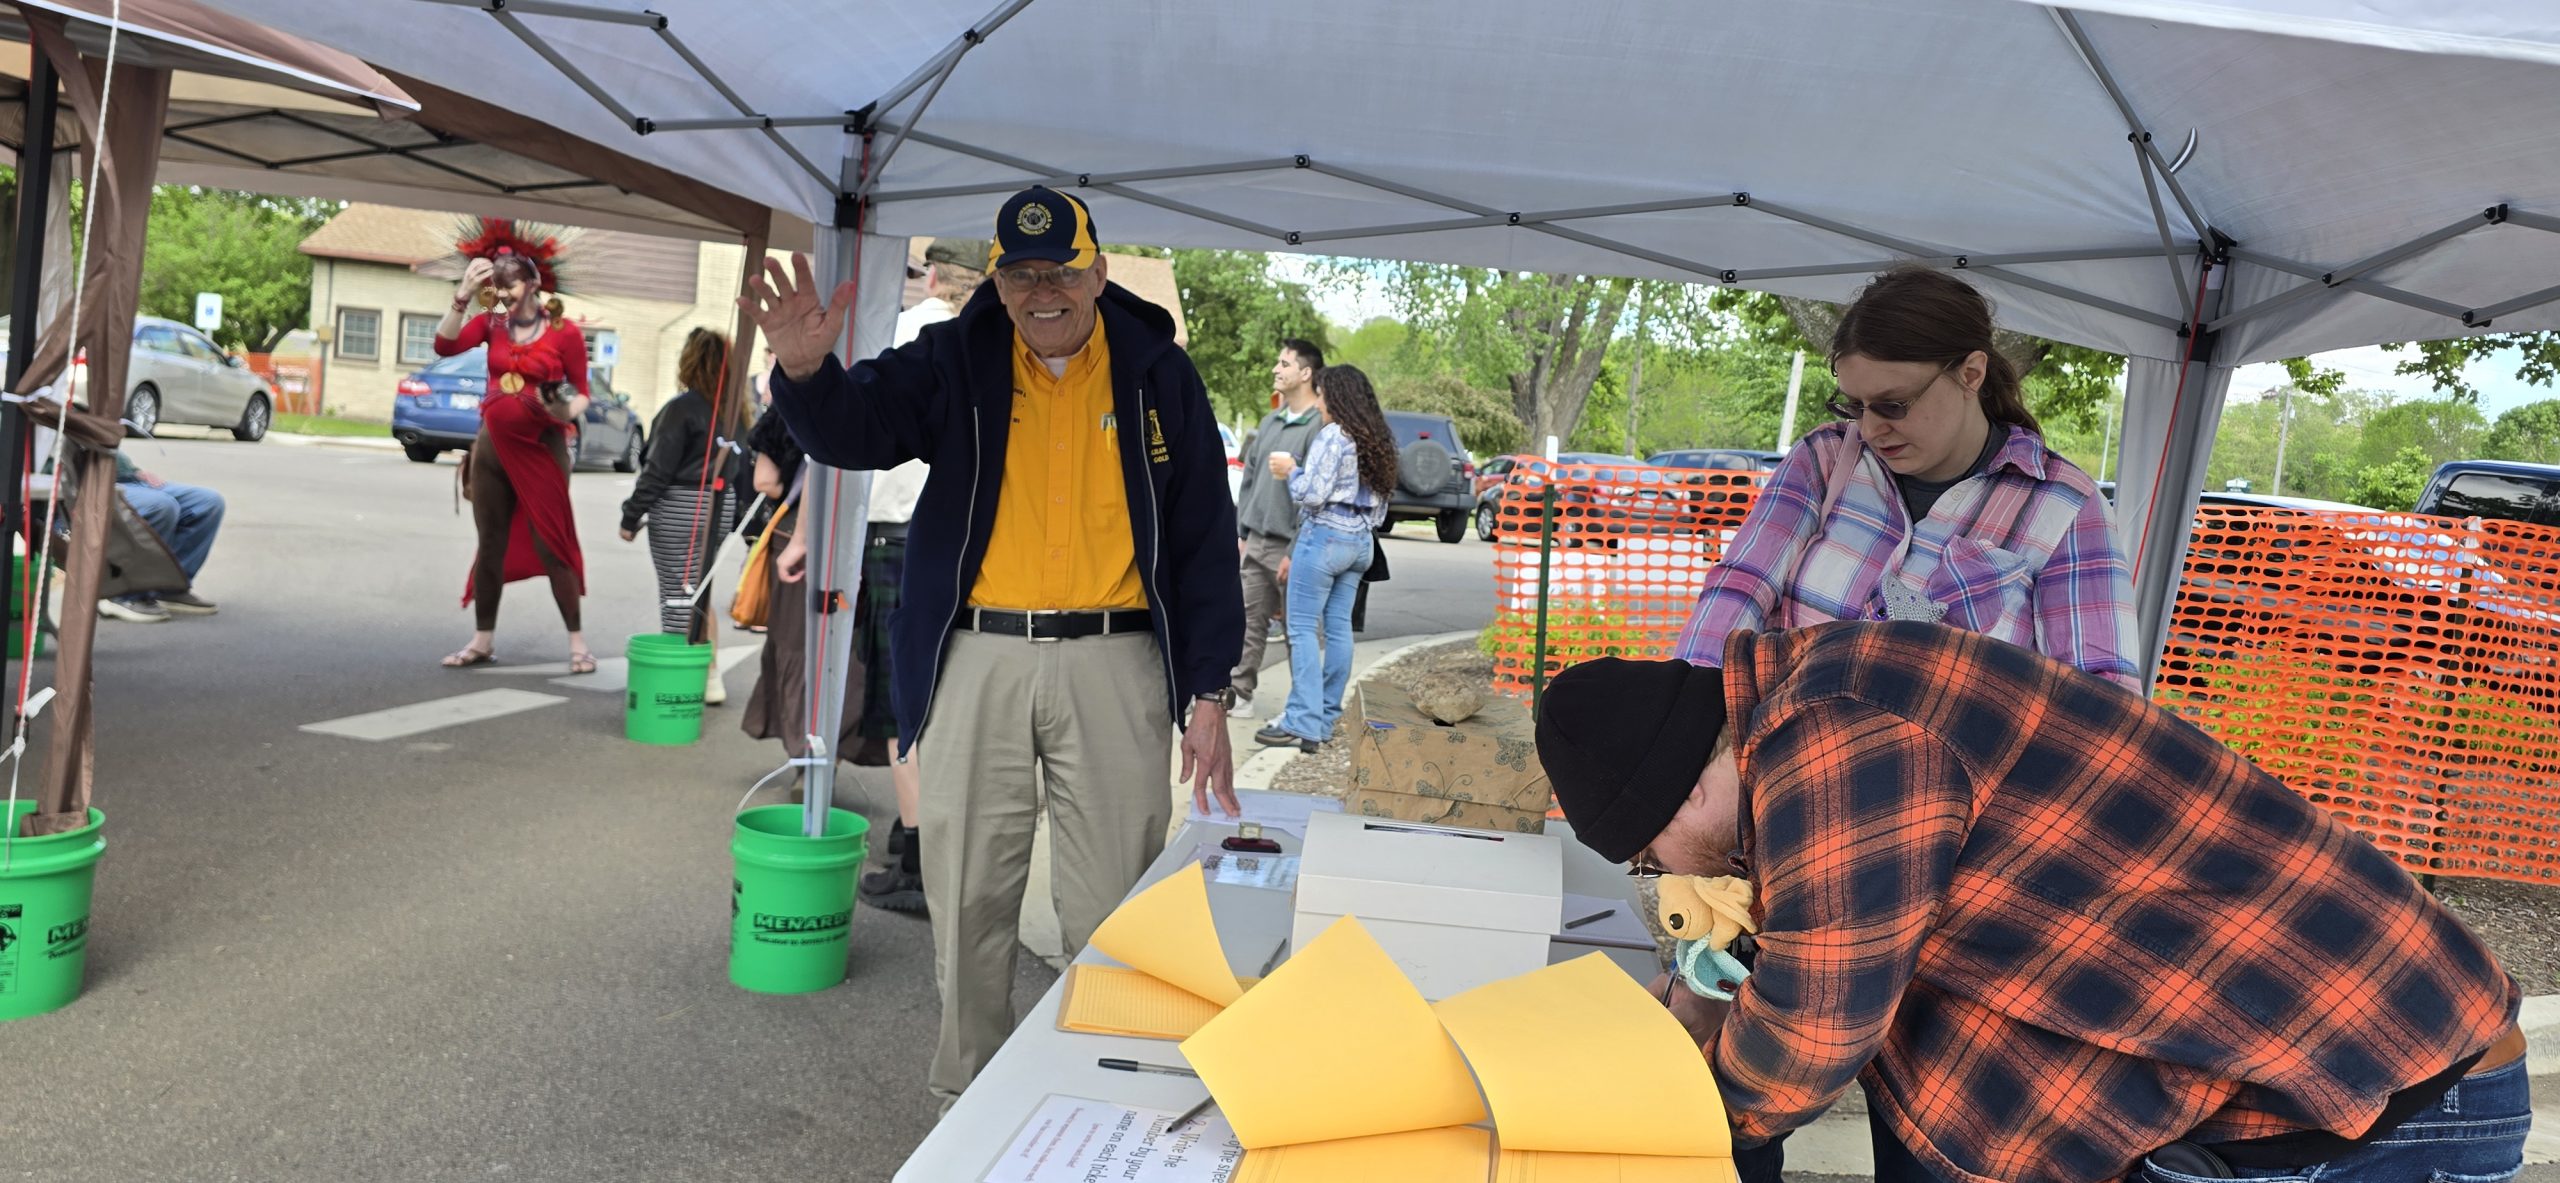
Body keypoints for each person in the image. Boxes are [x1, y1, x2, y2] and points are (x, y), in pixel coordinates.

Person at [1536, 622, 2529, 1183]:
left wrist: (1669, 1121)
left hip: (2383, 1098)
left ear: (1684, 794)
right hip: (2333, 1073)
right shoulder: (1826, 691)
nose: (1665, 877)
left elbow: (1810, 1029)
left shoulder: (1834, 734)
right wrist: (1703, 1007)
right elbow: (1832, 969)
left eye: (1648, 857)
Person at [747, 185, 1243, 1105]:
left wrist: (1208, 690)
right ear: (998, 281)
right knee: (968, 894)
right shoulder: (956, 357)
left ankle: (1101, 1097)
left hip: (1116, 659)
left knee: (1112, 905)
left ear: (1098, 272)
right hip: (979, 655)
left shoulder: (1157, 373)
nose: (1041, 292)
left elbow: (1206, 537)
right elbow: (862, 427)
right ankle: (969, 1095)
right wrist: (806, 375)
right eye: (1020, 275)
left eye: (1060, 271)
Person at [1674, 267, 2137, 689]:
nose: (1870, 429)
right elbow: (1739, 588)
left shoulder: (2066, 507)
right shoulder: (1827, 458)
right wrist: (1691, 715)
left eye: (1893, 405)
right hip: (1778, 746)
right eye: (1855, 406)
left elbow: (2103, 694)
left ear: (1971, 374)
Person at [850, 237, 984, 915]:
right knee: (957, 700)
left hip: (895, 536)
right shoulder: (995, 346)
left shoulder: (905, 334)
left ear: (932, 276)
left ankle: (919, 860)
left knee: (907, 702)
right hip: (971, 545)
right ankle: (941, 848)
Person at [434, 221, 592, 673]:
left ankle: (577, 643)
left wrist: (564, 409)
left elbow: (582, 392)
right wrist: (463, 295)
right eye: (497, 289)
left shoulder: (564, 332)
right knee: (491, 543)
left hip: (543, 447)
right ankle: (482, 640)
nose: (504, 295)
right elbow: (444, 345)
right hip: (492, 450)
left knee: (552, 542)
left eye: (512, 286)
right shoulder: (493, 323)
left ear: (535, 282)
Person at [1256, 364, 1394, 752]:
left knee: (1300, 629)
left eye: (1321, 396)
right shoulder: (1377, 439)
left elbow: (1312, 495)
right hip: (1360, 543)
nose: (1318, 404)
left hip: (1324, 539)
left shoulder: (1333, 435)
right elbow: (1382, 510)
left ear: (1337, 398)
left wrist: (1292, 471)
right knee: (1338, 629)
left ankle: (1302, 721)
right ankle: (1326, 718)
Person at [618, 327, 749, 701]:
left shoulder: (681, 408)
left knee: (679, 594)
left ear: (690, 361)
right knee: (698, 590)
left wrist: (631, 516)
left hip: (680, 507)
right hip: (719, 506)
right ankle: (710, 675)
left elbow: (658, 469)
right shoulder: (735, 413)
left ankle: (684, 684)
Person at [1226, 339, 1326, 719]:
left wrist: (1294, 550)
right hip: (1256, 541)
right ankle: (1239, 696)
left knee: (1299, 632)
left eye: (1284, 363)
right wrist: (1242, 533)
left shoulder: (1320, 426)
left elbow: (1317, 497)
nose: (1276, 369)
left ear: (1306, 373)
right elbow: (1249, 480)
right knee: (1246, 622)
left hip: (1294, 547)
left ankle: (1305, 711)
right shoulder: (1270, 422)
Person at [94, 452, 223, 622]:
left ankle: (168, 587)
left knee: (207, 502)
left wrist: (131, 470)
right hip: (88, 482)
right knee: (160, 506)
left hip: (125, 478)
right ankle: (121, 594)